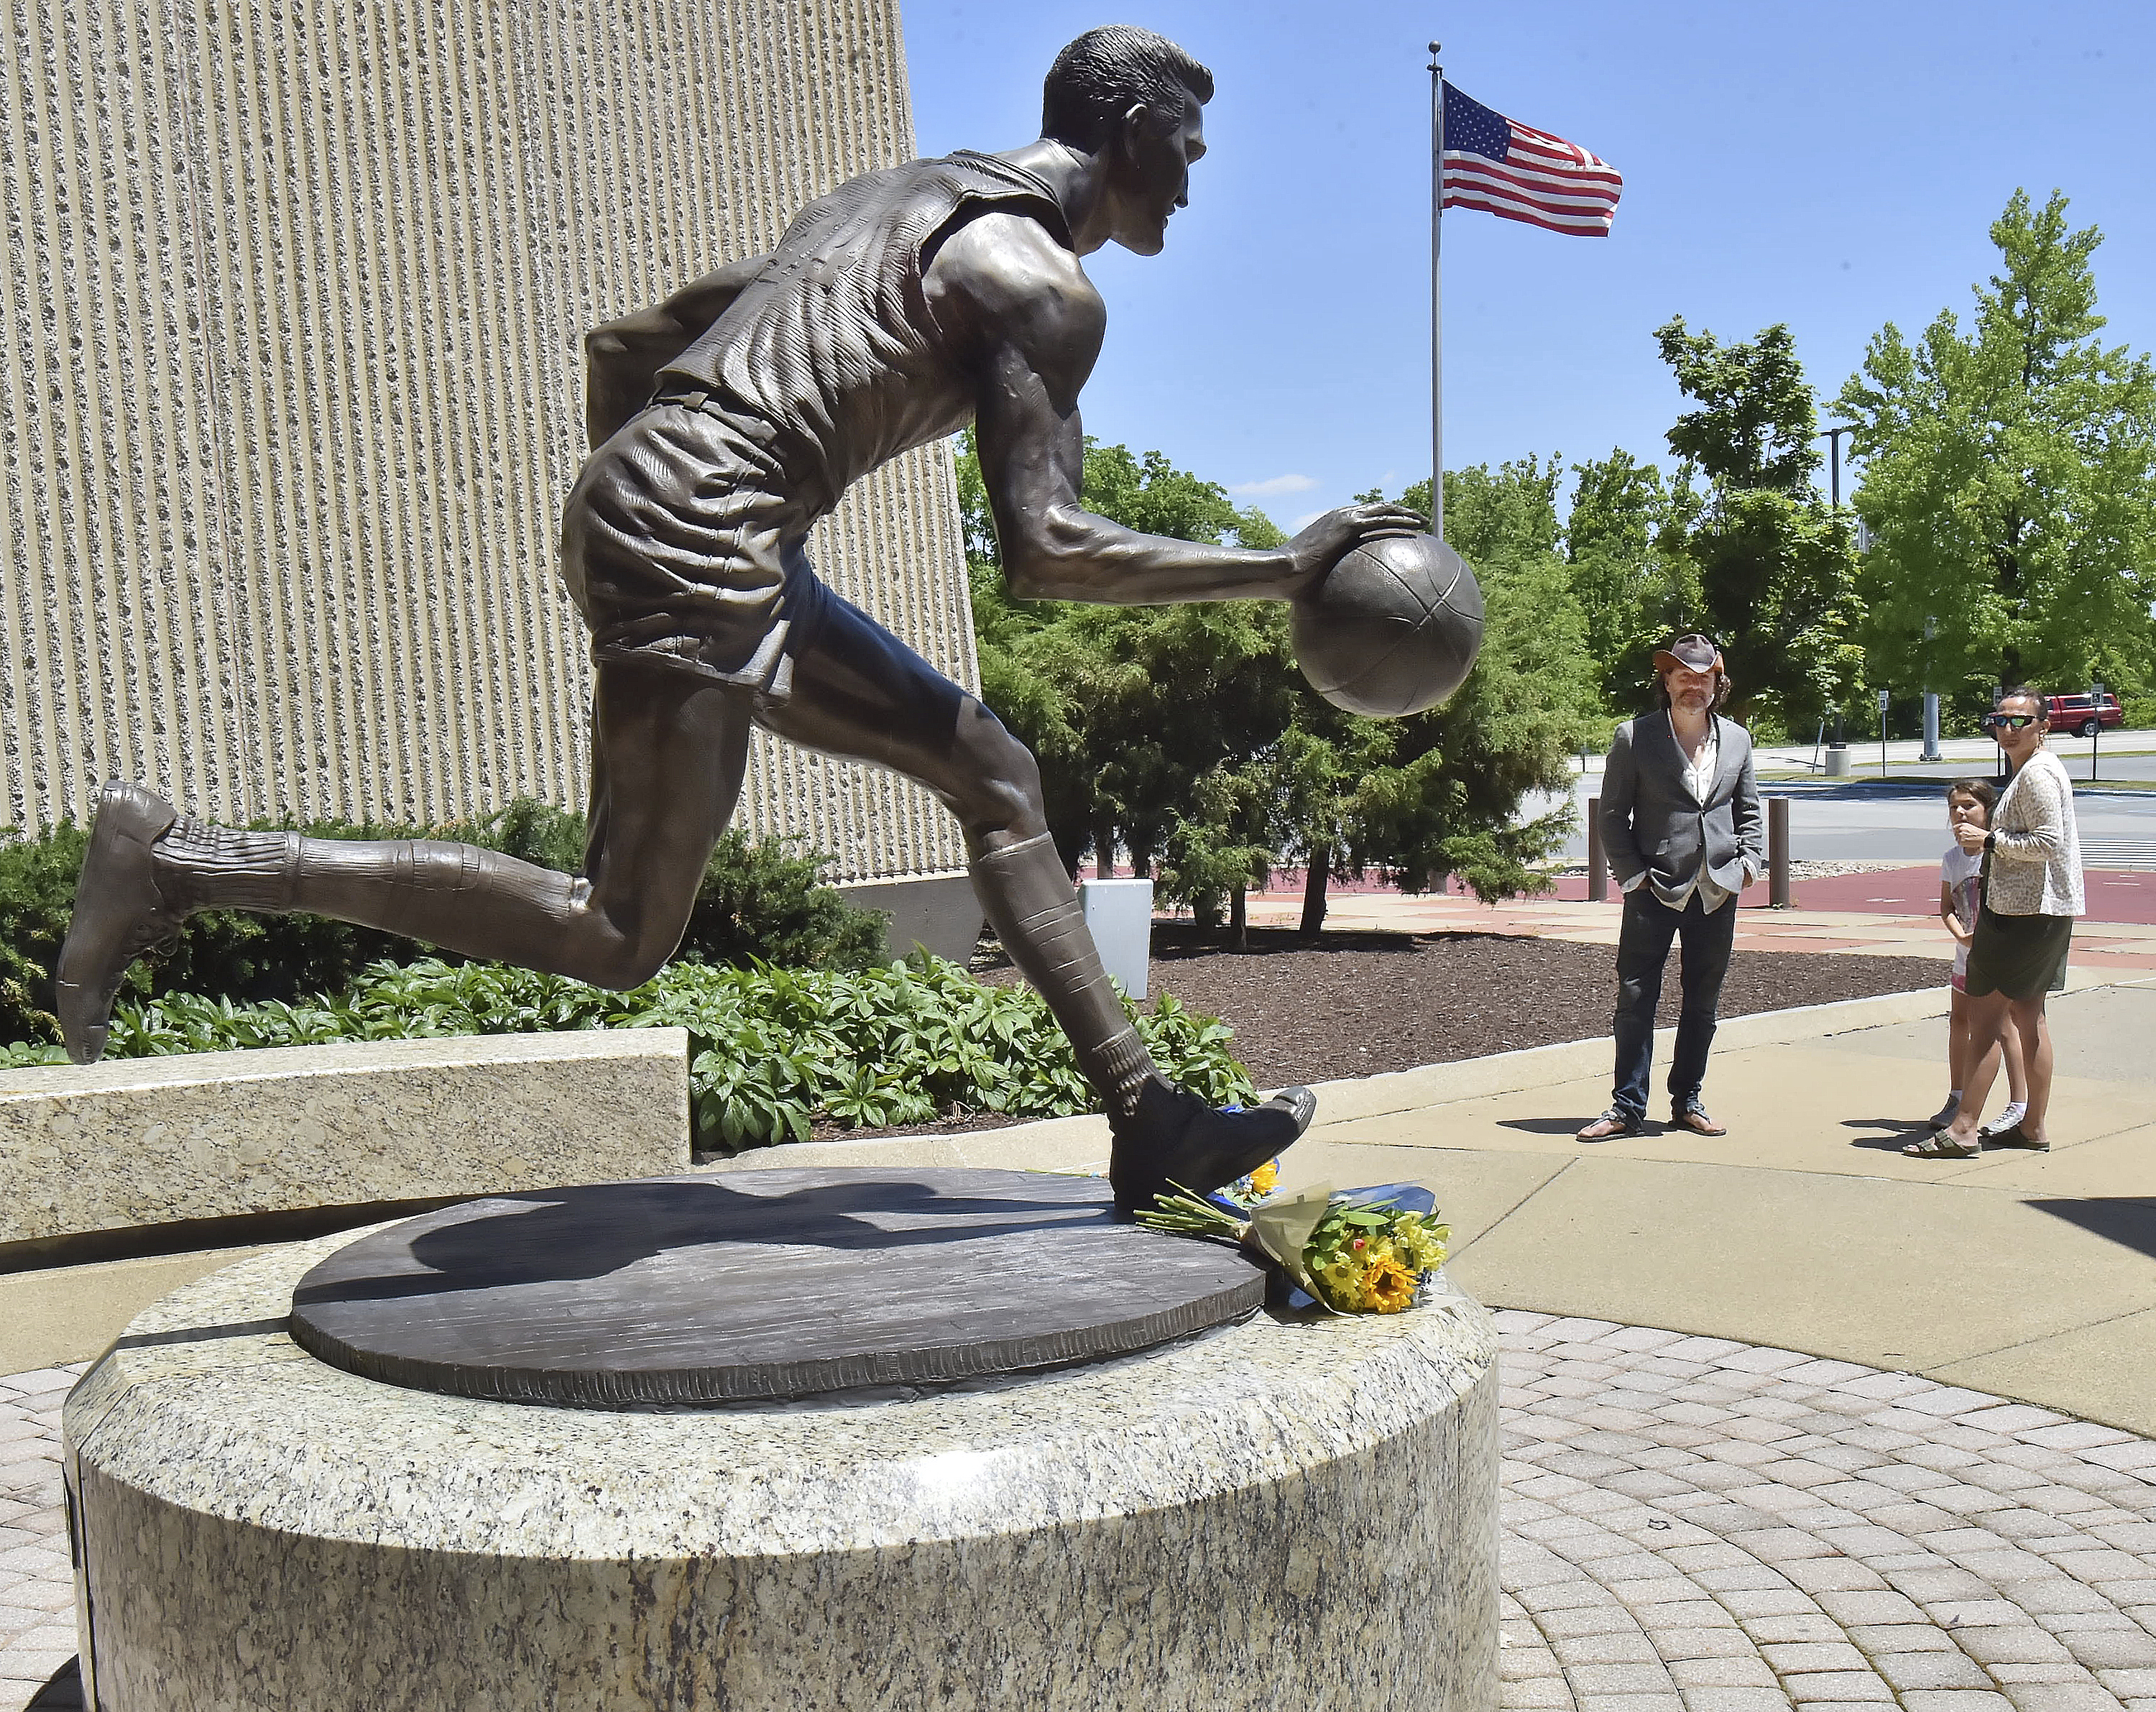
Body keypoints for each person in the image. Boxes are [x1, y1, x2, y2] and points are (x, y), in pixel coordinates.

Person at [55, 27, 1424, 1215]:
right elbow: (1048, 552)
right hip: (710, 531)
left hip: (704, 521)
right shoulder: (1046, 287)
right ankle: (179, 860)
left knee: (993, 771)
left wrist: (645, 496)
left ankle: (1148, 1121)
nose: (1192, 181)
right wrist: (1282, 569)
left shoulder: (895, 196)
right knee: (615, 930)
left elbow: (624, 345)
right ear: (1130, 132)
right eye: (1185, 147)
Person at [1577, 633, 1764, 1141]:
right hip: (1653, 890)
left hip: (1717, 890)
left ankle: (1687, 1100)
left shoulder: (1738, 740)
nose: (1694, 686)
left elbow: (1749, 814)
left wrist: (1748, 865)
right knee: (1635, 999)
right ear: (1667, 680)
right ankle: (1626, 1108)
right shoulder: (1634, 737)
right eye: (1684, 676)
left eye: (1704, 678)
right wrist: (1632, 876)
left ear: (1717, 685)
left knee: (1703, 1003)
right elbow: (1612, 817)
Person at [1906, 688, 2082, 1159]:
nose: (2008, 728)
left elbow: (2048, 842)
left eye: (2021, 720)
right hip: (2043, 912)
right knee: (2028, 1016)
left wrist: (1990, 841)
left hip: (2024, 914)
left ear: (2044, 725)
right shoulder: (2038, 770)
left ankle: (1964, 1129)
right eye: (2000, 719)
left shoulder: (2040, 775)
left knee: (1986, 1019)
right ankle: (2033, 1127)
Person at [1928, 778, 2027, 1136]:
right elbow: (1947, 908)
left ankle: (2019, 1103)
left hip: (1998, 954)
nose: (1959, 812)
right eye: (1954, 806)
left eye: (1968, 805)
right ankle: (1957, 1096)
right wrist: (1962, 937)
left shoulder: (1996, 852)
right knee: (1960, 1021)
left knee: (2005, 1026)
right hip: (1966, 955)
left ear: (1987, 810)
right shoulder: (1952, 859)